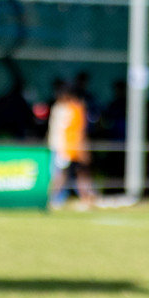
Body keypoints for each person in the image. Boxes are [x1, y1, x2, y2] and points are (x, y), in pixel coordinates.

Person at [47, 82, 96, 210]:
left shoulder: (75, 109)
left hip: (72, 148)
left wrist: (82, 148)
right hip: (64, 148)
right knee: (62, 174)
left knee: (80, 173)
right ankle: (53, 199)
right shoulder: (62, 108)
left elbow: (80, 130)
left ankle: (87, 198)